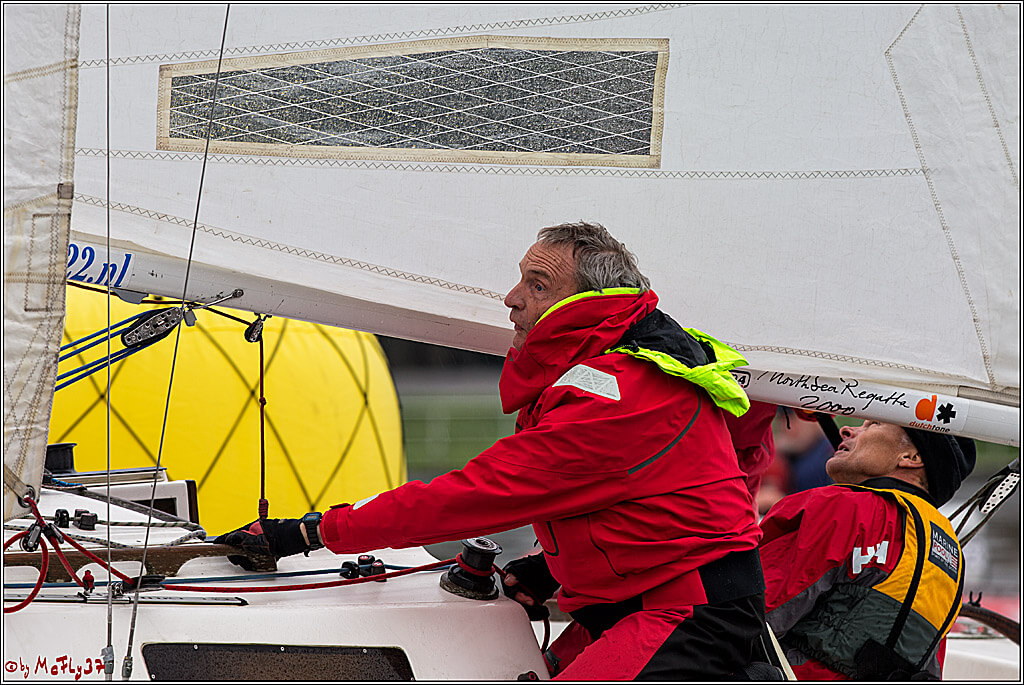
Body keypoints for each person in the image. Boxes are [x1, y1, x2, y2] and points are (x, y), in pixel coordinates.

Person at [218, 221, 768, 680]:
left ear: (589, 304)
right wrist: (548, 570)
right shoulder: (625, 367)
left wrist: (311, 533)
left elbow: (478, 494)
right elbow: (655, 499)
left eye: (537, 284)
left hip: (685, 613)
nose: (512, 298)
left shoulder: (621, 393)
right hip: (648, 602)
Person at [759, 419, 975, 680]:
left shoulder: (841, 509)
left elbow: (745, 616)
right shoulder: (949, 555)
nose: (846, 430)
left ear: (911, 457)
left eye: (873, 424)